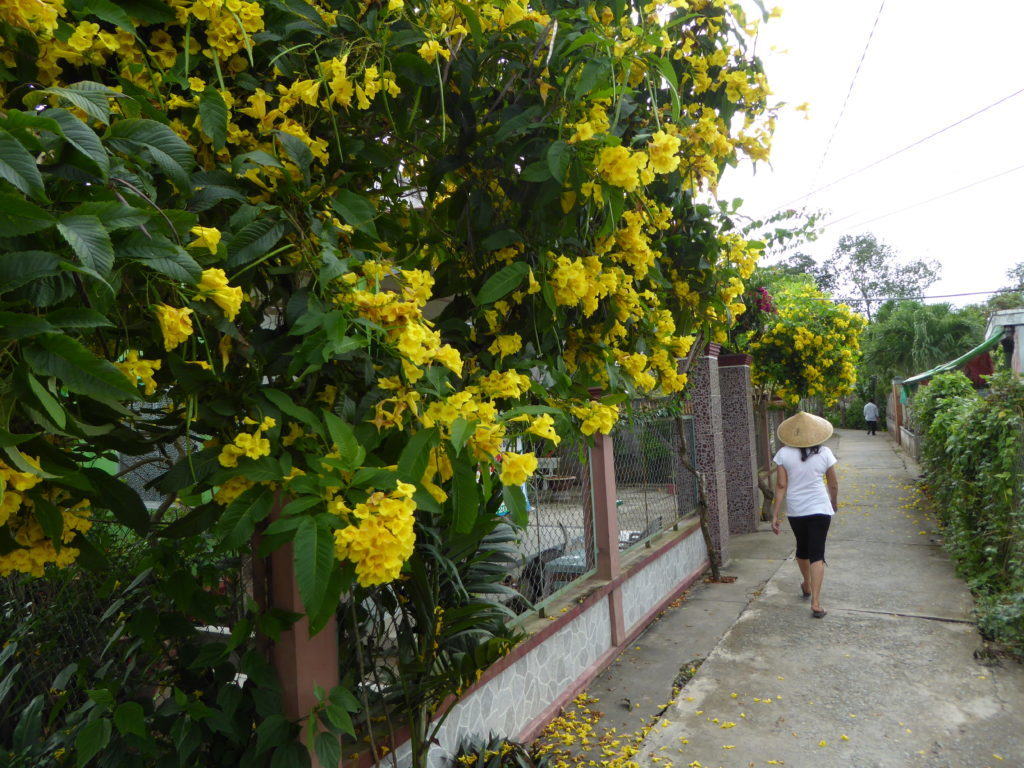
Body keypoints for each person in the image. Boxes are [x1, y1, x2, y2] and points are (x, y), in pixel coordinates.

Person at [770, 411, 839, 619]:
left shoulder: (783, 454)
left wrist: (775, 515)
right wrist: (833, 503)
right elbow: (833, 484)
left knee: (802, 548)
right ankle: (816, 603)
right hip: (820, 509)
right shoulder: (825, 453)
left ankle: (807, 584)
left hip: (797, 510)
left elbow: (781, 486)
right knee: (817, 553)